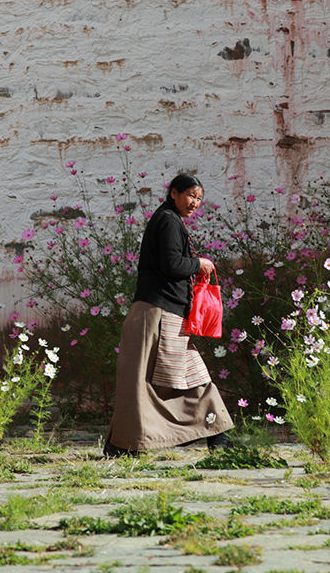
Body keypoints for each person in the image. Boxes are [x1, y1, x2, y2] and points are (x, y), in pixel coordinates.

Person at [104, 173, 234, 457]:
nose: (195, 203)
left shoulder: (168, 220)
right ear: (173, 193)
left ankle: (216, 434)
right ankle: (122, 444)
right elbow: (172, 263)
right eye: (190, 195)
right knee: (151, 380)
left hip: (163, 313)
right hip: (158, 314)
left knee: (174, 376)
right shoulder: (167, 221)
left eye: (199, 198)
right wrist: (199, 263)